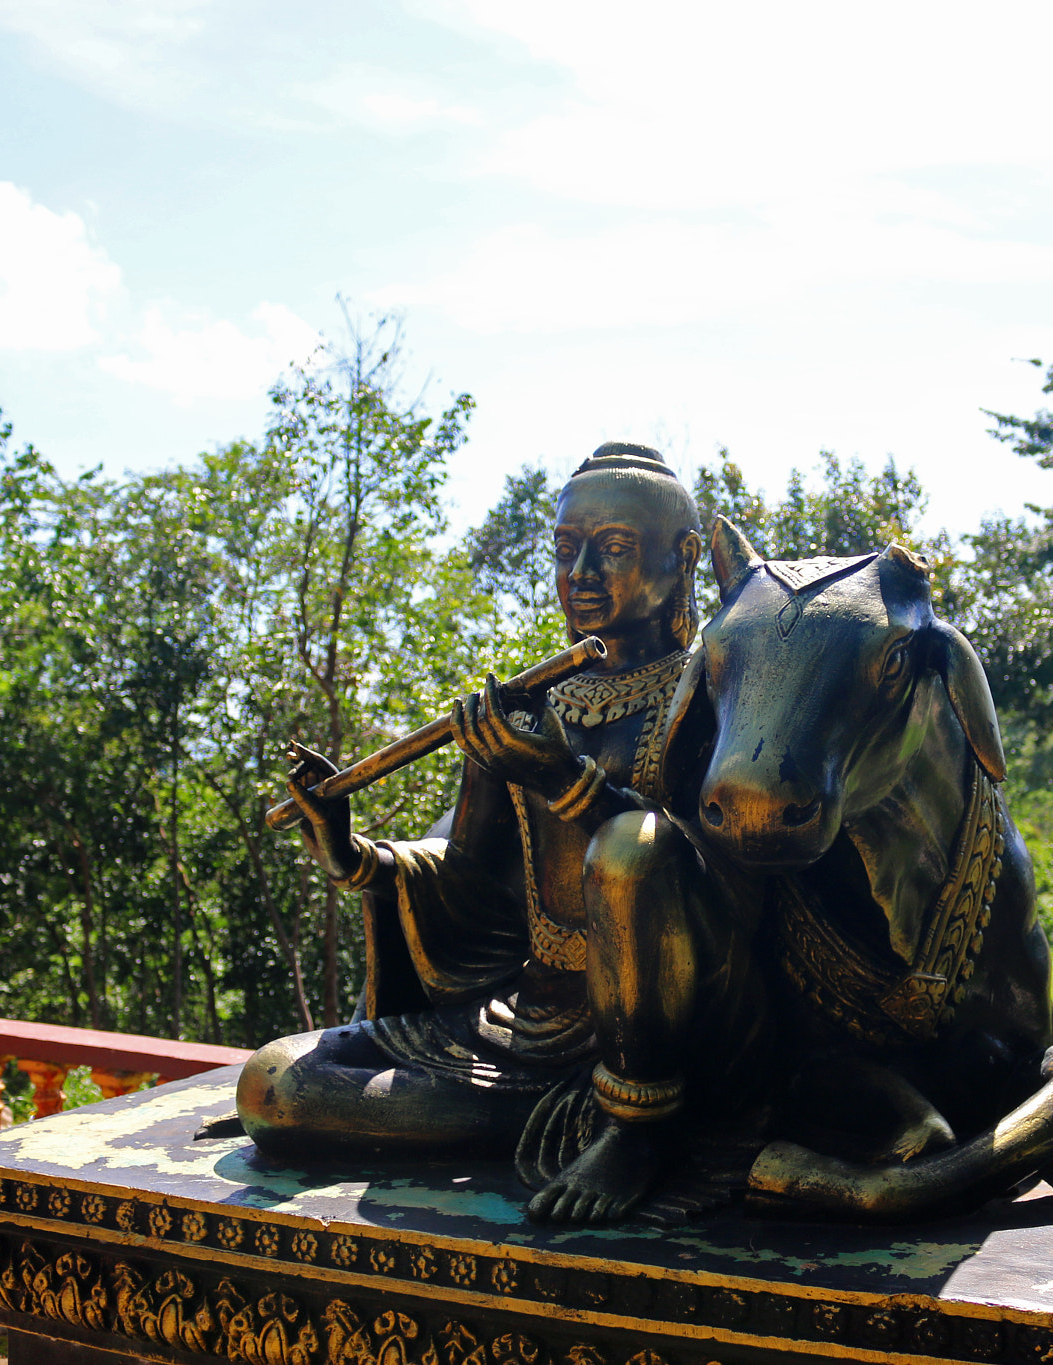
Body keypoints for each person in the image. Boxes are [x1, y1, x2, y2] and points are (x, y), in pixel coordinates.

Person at [240, 443, 769, 1225]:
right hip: (525, 1019)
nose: (582, 571)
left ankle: (634, 1125)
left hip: (666, 1035)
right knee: (277, 1081)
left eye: (614, 548)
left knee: (638, 846)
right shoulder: (526, 704)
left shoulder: (713, 697)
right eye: (566, 549)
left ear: (683, 558)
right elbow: (475, 898)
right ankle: (555, 1116)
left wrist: (564, 778)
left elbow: (720, 883)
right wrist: (356, 855)